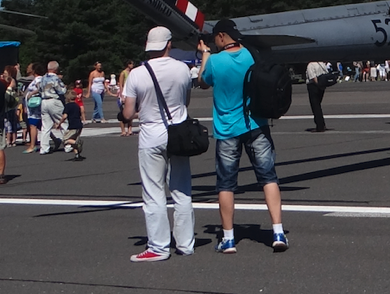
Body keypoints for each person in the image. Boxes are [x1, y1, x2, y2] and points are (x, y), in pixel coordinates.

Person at [197, 18, 288, 253]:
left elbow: (203, 82)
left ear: (220, 37)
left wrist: (205, 56)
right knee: (268, 177)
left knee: (226, 183)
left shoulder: (216, 61)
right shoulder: (250, 54)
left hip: (227, 129)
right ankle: (278, 231)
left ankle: (228, 238)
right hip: (255, 123)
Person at [123, 27, 194, 262]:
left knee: (153, 192)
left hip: (151, 134)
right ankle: (185, 243)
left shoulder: (136, 74)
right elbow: (185, 101)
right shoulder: (183, 69)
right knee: (181, 189)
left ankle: (159, 246)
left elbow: (129, 112)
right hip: (179, 134)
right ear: (169, 44)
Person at [33, 61, 67, 155]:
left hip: (44, 101)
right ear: (56, 69)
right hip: (54, 100)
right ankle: (68, 145)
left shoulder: (43, 78)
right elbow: (62, 90)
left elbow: (39, 89)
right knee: (63, 122)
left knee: (45, 126)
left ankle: (44, 148)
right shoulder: (55, 78)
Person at [56, 90, 85, 161]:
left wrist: (59, 123)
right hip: (79, 125)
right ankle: (77, 154)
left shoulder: (68, 106)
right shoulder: (77, 106)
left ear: (68, 98)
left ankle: (77, 143)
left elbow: (64, 116)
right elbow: (80, 114)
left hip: (73, 126)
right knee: (73, 139)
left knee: (65, 140)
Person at [305, 61, 329, 132]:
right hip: (322, 87)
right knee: (318, 105)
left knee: (315, 107)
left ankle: (320, 125)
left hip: (313, 86)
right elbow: (326, 74)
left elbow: (313, 77)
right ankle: (321, 124)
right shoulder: (322, 63)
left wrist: (318, 85)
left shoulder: (310, 65)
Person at [117, 60, 134, 137]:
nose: (132, 65)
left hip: (130, 93)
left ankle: (129, 129)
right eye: (131, 64)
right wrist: (122, 95)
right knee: (122, 113)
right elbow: (120, 84)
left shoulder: (133, 73)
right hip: (124, 92)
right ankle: (123, 130)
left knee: (131, 112)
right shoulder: (123, 73)